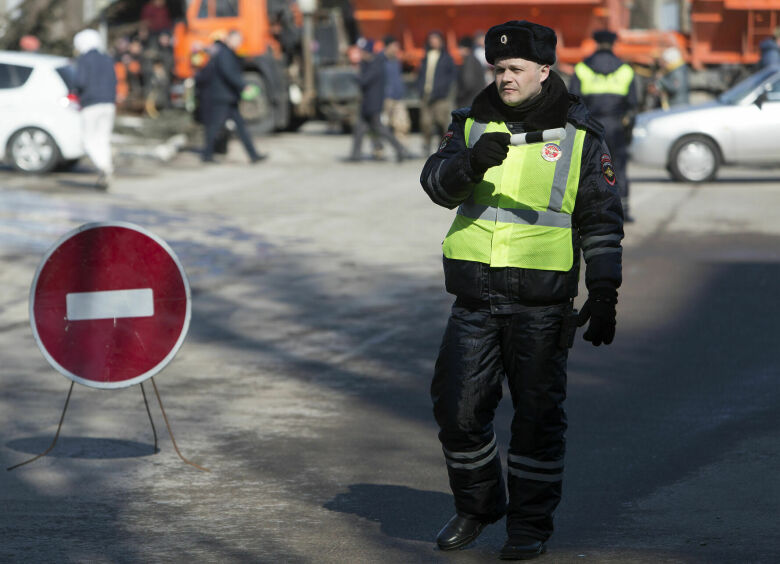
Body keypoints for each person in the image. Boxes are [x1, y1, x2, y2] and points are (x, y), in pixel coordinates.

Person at [420, 20, 623, 560]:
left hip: (542, 303)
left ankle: (529, 526)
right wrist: (468, 163)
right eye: (498, 68)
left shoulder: (580, 135)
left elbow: (601, 220)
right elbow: (435, 186)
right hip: (476, 298)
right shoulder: (469, 122)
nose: (504, 77)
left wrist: (604, 293)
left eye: (514, 69)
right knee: (457, 411)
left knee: (536, 421)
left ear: (543, 70)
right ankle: (479, 507)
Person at [569, 29, 637, 221]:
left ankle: (590, 209)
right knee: (618, 167)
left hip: (590, 125)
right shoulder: (625, 70)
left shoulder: (582, 68)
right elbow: (632, 104)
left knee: (588, 168)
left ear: (596, 44)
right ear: (613, 44)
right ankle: (623, 209)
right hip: (616, 125)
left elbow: (573, 100)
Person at [200, 30, 265, 164]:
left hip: (229, 97)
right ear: (230, 39)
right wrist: (243, 85)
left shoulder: (227, 53)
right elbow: (229, 73)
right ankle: (207, 155)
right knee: (215, 126)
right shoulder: (224, 53)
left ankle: (253, 155)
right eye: (238, 40)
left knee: (241, 127)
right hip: (222, 97)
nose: (239, 43)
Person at [347, 38, 408, 162]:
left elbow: (364, 81)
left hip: (373, 104)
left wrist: (354, 75)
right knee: (359, 129)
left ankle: (400, 149)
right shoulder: (368, 64)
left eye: (363, 52)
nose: (361, 54)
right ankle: (355, 155)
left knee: (381, 129)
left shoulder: (376, 64)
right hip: (367, 104)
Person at [73, 29, 118, 189]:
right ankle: (106, 166)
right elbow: (114, 80)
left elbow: (81, 81)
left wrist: (74, 93)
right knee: (103, 138)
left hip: (91, 104)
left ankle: (104, 167)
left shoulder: (84, 59)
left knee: (89, 140)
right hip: (109, 103)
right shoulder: (107, 58)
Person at [416, 31, 457, 155]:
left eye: (436, 39)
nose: (433, 42)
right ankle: (426, 145)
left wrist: (444, 90)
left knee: (441, 123)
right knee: (425, 123)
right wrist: (419, 88)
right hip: (426, 95)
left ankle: (443, 147)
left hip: (441, 97)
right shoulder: (426, 57)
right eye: (431, 39)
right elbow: (420, 75)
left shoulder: (447, 58)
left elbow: (452, 77)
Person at [382, 35, 411, 147]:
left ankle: (403, 148)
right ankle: (378, 149)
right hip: (385, 99)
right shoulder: (380, 60)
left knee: (402, 125)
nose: (397, 49)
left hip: (398, 98)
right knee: (382, 126)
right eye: (395, 46)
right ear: (388, 46)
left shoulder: (396, 60)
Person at [455, 36, 486, 108]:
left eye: (460, 48)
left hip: (469, 101)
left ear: (465, 48)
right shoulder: (474, 59)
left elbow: (468, 83)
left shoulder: (469, 61)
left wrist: (459, 95)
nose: (459, 51)